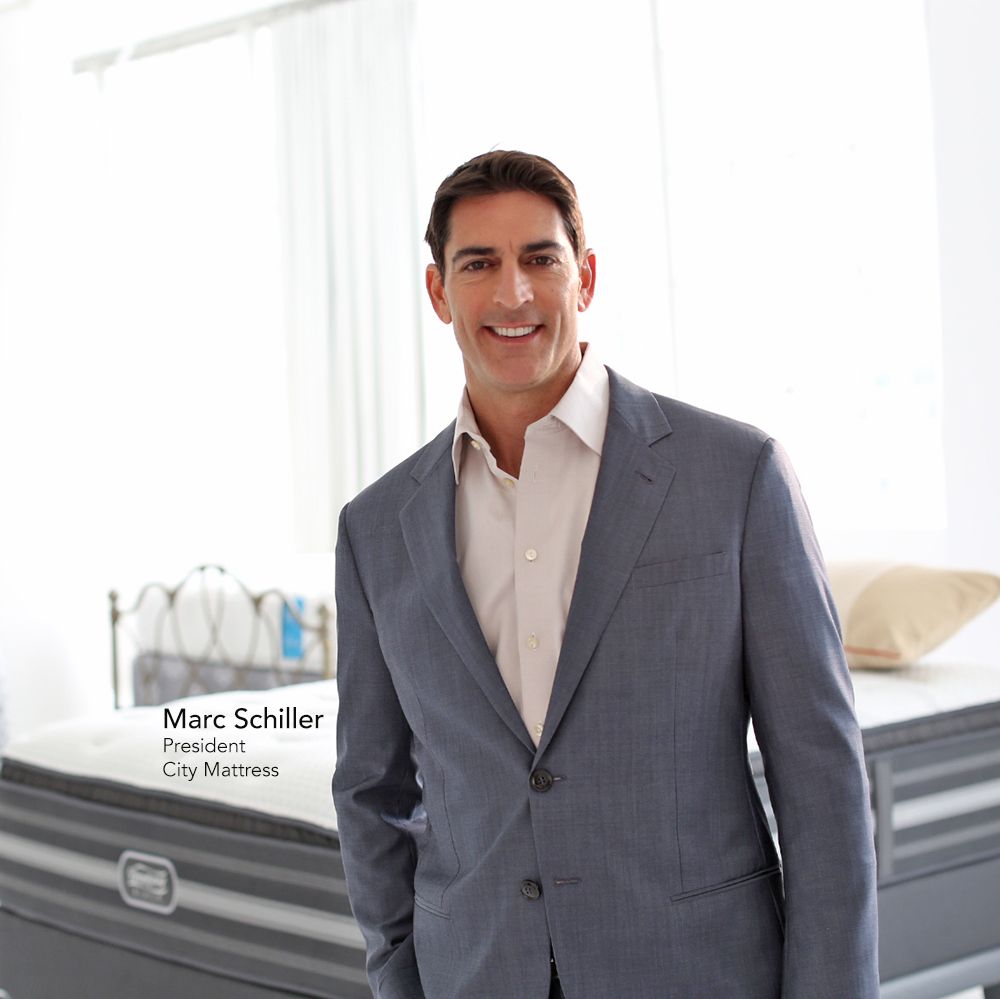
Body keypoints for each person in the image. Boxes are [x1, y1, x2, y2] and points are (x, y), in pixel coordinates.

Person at [332, 150, 879, 999]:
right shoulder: (375, 529)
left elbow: (822, 779)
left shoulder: (735, 475)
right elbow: (372, 789)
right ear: (439, 292)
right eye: (479, 264)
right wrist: (399, 979)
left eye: (539, 258)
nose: (513, 292)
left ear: (584, 277)